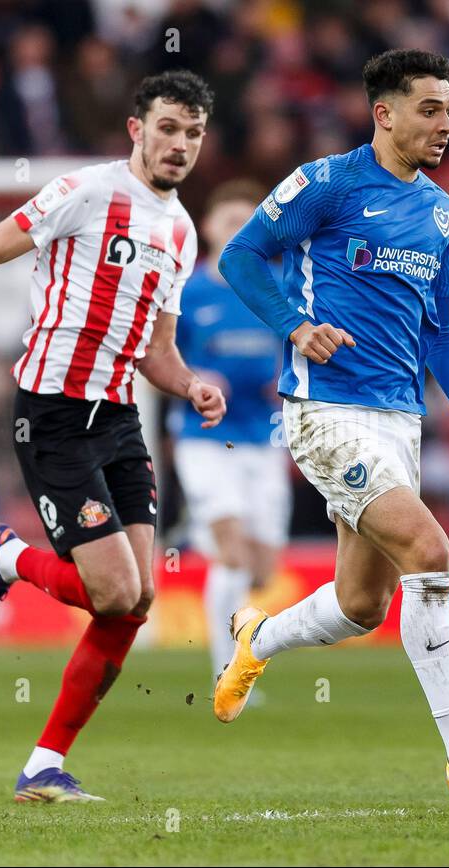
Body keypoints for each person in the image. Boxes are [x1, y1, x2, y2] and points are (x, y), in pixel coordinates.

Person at [0, 70, 226, 803]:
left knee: (137, 601)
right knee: (114, 589)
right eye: (167, 128)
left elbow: (158, 351)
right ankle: (6, 559)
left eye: (192, 133)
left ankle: (43, 766)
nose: (179, 144)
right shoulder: (86, 192)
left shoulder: (182, 233)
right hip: (54, 413)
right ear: (137, 128)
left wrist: (189, 383)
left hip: (120, 419)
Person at [215, 49, 449, 806]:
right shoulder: (327, 184)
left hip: (400, 420)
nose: (446, 124)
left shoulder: (442, 213)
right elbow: (241, 257)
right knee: (430, 548)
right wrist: (297, 326)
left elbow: (441, 336)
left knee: (361, 605)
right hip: (326, 412)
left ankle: (256, 638)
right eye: (430, 109)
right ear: (384, 113)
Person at [168, 180, 289, 686]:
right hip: (204, 439)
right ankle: (228, 670)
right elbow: (157, 358)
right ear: (209, 228)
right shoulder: (187, 293)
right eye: (230, 220)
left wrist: (285, 381)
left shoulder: (276, 289)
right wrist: (194, 379)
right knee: (233, 551)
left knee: (261, 570)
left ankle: (193, 531)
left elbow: (299, 350)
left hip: (264, 440)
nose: (239, 229)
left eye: (249, 221)